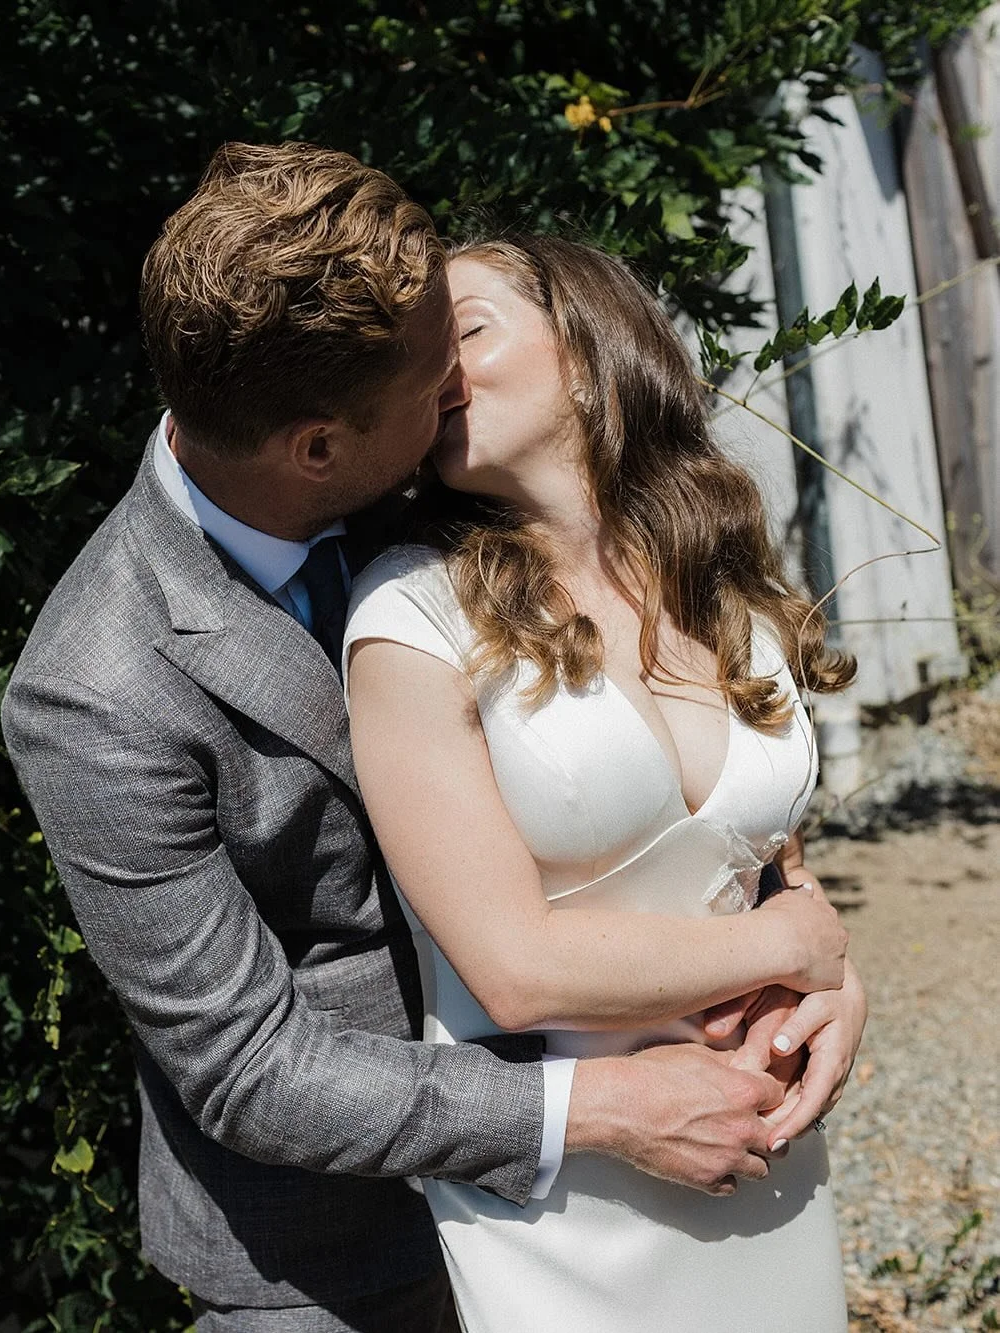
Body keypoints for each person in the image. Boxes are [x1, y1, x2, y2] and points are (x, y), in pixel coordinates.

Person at [0, 143, 862, 1333]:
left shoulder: (450, 490)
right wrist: (598, 1108)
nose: (453, 382)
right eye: (434, 371)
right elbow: (249, 1065)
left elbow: (733, 825)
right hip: (341, 1253)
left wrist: (815, 960)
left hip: (682, 1146)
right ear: (320, 448)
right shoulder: (96, 691)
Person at [344, 234, 866, 1332]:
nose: (431, 368)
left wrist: (830, 987)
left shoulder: (714, 570)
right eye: (411, 351)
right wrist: (789, 948)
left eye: (465, 330)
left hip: (763, 1151)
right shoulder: (412, 618)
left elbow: (772, 869)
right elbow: (514, 967)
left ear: (585, 343)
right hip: (576, 1206)